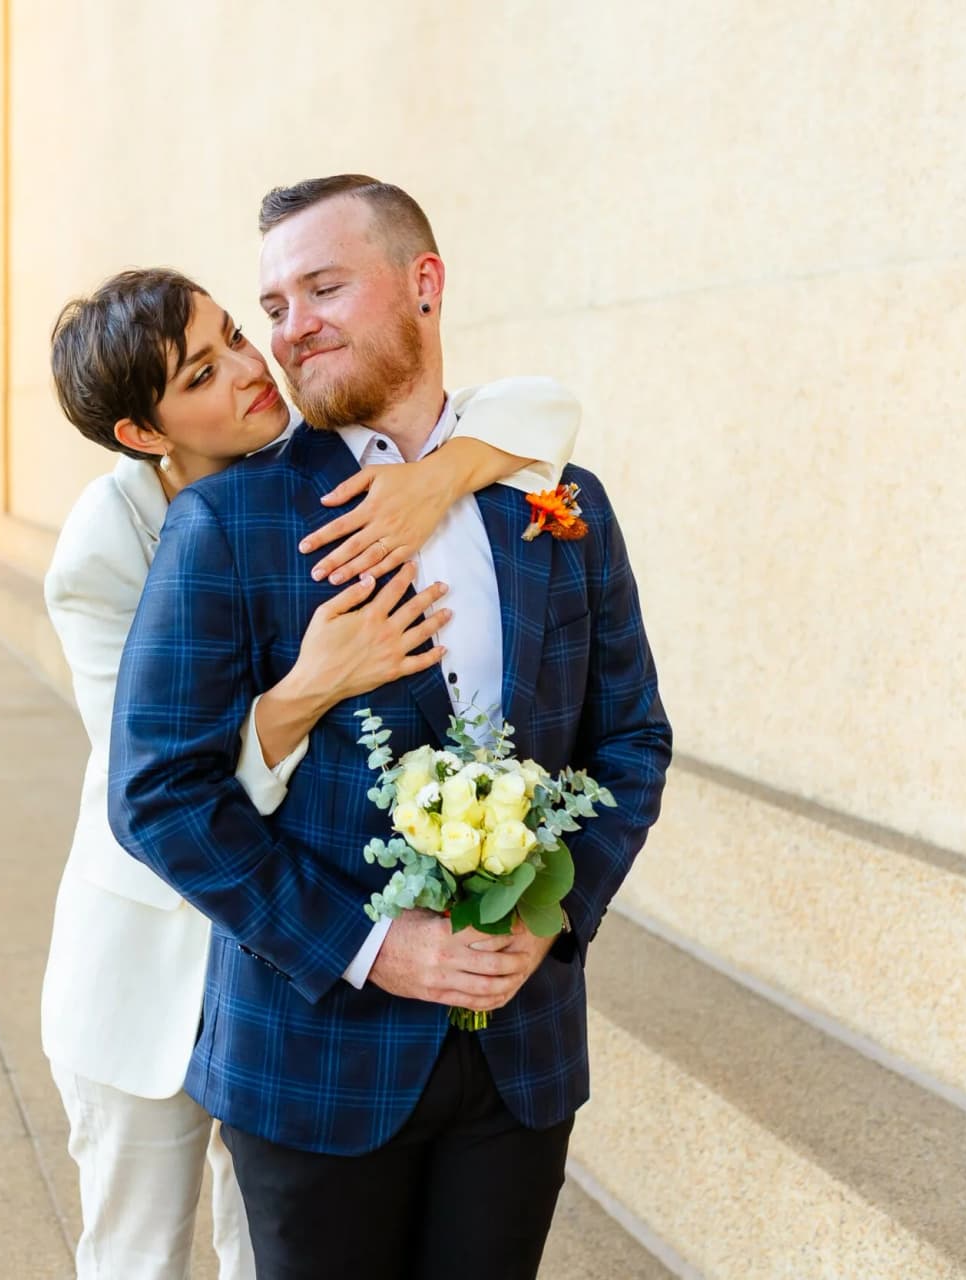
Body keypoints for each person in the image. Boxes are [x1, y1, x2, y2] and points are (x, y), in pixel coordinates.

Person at [108, 177, 673, 1280]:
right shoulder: (227, 522)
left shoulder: (562, 501)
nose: (289, 327)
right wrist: (372, 945)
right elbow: (159, 795)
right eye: (272, 305)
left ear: (424, 284)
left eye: (323, 285)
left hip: (523, 1051)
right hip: (312, 1059)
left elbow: (632, 738)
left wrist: (551, 915)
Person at [42, 264, 581, 1280]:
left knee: (274, 1251)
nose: (253, 370)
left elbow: (548, 407)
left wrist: (440, 473)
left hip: (296, 966)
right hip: (152, 956)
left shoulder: (315, 457)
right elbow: (158, 782)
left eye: (236, 335)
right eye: (203, 373)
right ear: (143, 433)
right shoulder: (104, 548)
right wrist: (309, 687)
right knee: (136, 1256)